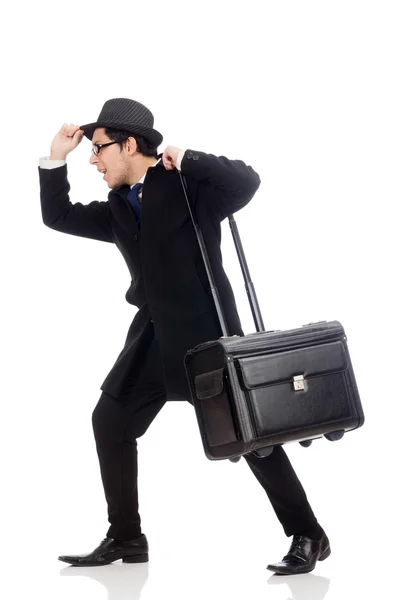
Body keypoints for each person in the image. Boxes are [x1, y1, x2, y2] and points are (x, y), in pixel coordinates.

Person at [38, 97, 330, 574]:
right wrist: (55, 158)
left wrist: (188, 156)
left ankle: (308, 534)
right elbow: (59, 216)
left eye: (98, 149)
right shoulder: (117, 207)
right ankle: (126, 538)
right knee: (110, 422)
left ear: (129, 145)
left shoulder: (189, 186)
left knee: (254, 440)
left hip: (207, 344)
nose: (93, 159)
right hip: (152, 343)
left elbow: (247, 180)